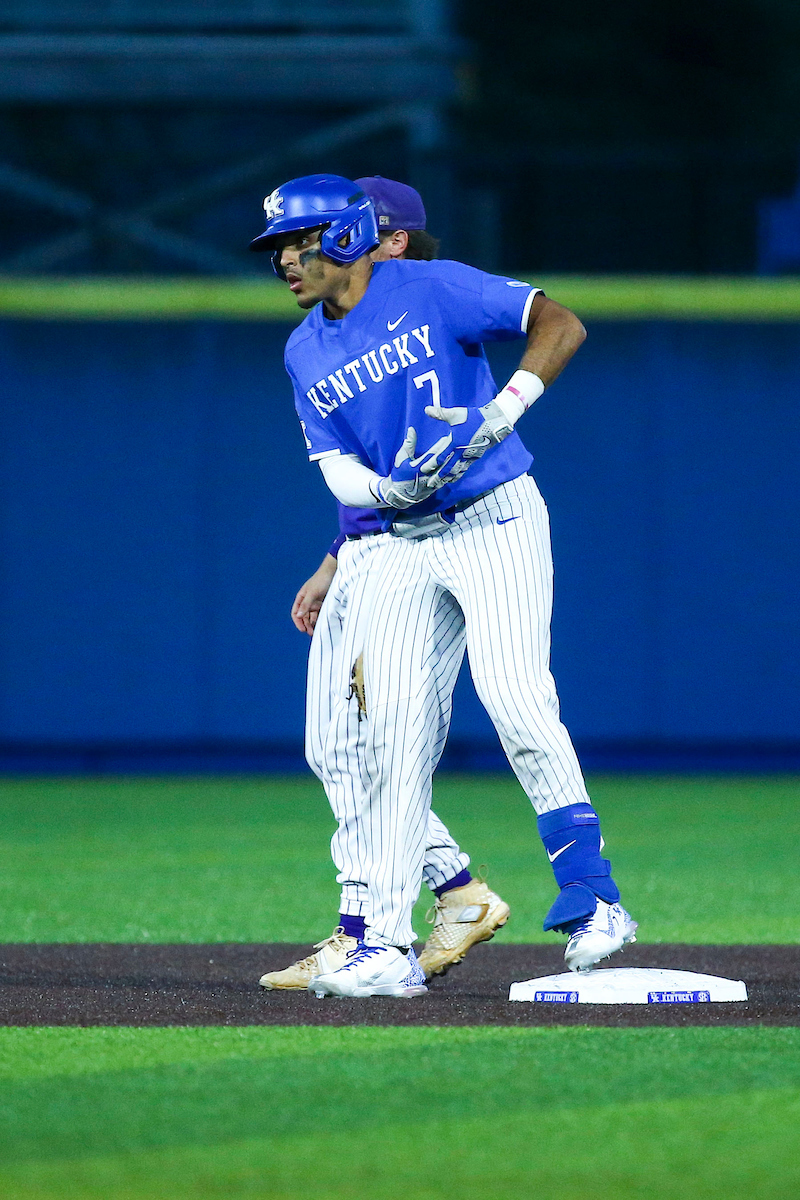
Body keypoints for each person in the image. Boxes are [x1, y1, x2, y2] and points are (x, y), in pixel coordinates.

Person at [250, 174, 638, 998]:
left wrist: (503, 412)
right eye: (278, 247)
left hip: (493, 518)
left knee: (516, 700)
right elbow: (336, 467)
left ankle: (596, 897)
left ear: (347, 235)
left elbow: (560, 324)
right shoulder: (303, 349)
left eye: (298, 242)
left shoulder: (429, 286)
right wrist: (384, 492)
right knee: (385, 739)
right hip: (398, 539)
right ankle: (384, 947)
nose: (284, 260)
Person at [258, 178, 510, 992]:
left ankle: (368, 932)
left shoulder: (424, 314)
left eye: (309, 240)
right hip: (365, 549)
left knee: (376, 750)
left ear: (388, 239)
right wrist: (336, 556)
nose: (292, 258)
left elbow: (417, 478)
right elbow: (366, 474)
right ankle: (457, 890)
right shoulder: (323, 340)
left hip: (412, 556)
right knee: (335, 751)